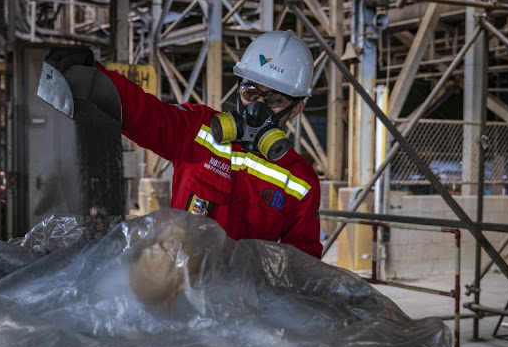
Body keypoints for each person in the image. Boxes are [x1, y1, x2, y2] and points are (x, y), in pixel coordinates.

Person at [48, 30, 323, 258]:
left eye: (274, 100)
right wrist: (95, 78)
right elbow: (145, 113)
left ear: (296, 108)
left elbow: (302, 263)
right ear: (238, 89)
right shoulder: (199, 130)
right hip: (177, 292)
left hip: (244, 307)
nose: (257, 108)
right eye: (251, 92)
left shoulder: (300, 180)